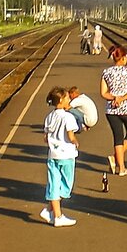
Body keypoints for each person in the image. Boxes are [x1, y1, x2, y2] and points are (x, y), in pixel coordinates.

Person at [41, 87, 79, 228]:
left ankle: (51, 211)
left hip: (53, 155)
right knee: (66, 185)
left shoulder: (49, 117)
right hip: (67, 155)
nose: (69, 100)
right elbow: (70, 135)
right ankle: (56, 215)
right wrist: (75, 141)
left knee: (54, 182)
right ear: (62, 100)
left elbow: (45, 137)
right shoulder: (68, 117)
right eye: (68, 98)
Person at [99, 45, 127, 177]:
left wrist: (114, 98)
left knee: (118, 137)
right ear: (124, 57)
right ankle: (114, 158)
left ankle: (121, 168)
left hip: (111, 110)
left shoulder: (106, 72)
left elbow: (103, 93)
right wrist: (121, 99)